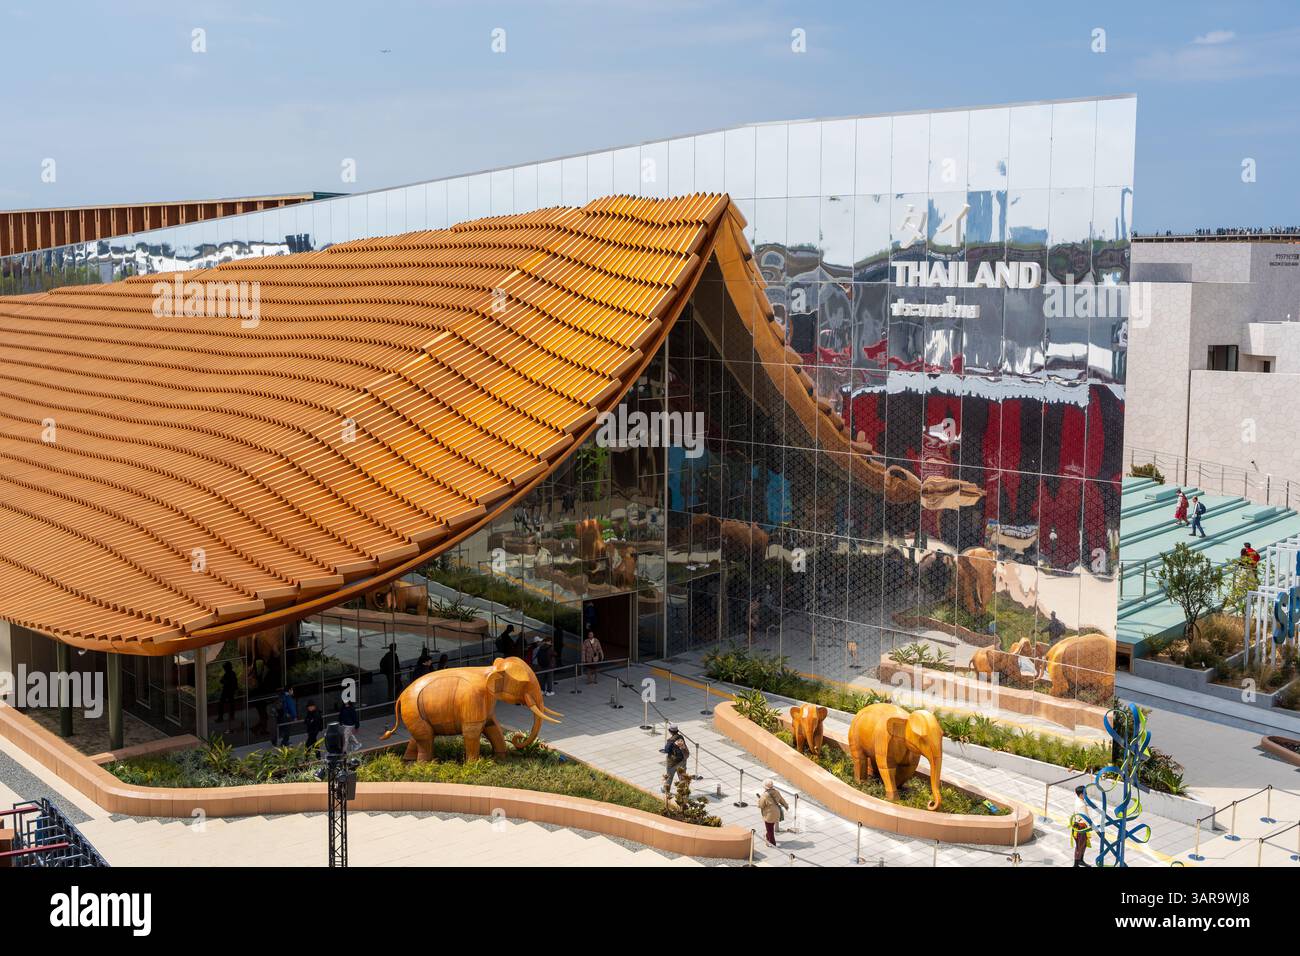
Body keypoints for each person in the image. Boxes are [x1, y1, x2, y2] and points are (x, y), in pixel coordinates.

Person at [757, 779, 789, 847]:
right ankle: (767, 836)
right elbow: (781, 799)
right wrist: (786, 805)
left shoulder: (764, 795)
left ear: (765, 787)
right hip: (777, 812)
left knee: (770, 829)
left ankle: (772, 843)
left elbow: (760, 805)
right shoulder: (776, 792)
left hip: (769, 815)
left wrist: (759, 801)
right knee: (770, 827)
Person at [660, 725, 690, 796]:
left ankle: (666, 790)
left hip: (673, 762)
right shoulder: (681, 737)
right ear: (677, 731)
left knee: (669, 776)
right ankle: (684, 792)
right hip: (682, 760)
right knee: (682, 777)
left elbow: (667, 750)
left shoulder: (670, 741)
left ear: (670, 731)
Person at [1070, 786, 1092, 867]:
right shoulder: (1082, 805)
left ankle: (1080, 860)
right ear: (1081, 794)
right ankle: (1076, 864)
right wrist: (1091, 826)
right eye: (1085, 793)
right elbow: (1085, 817)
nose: (1086, 795)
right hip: (1081, 827)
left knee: (1083, 844)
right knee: (1080, 846)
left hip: (1077, 825)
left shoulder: (1077, 800)